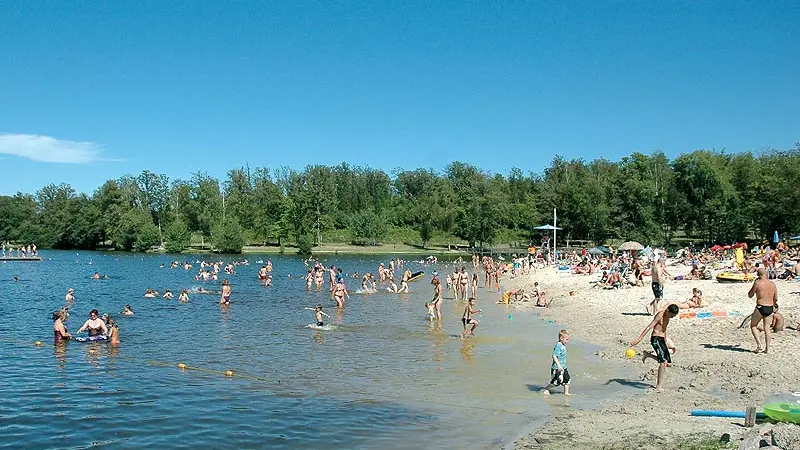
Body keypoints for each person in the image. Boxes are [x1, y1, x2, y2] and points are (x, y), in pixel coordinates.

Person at [631, 304, 680, 390]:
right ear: (668, 311)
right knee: (663, 363)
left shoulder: (668, 317)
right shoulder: (660, 315)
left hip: (662, 339)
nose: (672, 317)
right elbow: (649, 327)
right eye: (672, 315)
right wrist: (638, 339)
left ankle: (647, 355)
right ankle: (658, 386)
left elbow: (664, 328)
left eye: (674, 316)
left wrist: (665, 341)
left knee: (668, 364)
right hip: (656, 339)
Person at [747, 267, 778, 353]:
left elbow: (750, 295)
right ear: (766, 274)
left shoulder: (757, 283)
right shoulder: (772, 284)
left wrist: (754, 284)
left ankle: (759, 345)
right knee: (767, 328)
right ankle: (767, 349)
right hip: (770, 307)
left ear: (758, 275)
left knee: (753, 326)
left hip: (761, 307)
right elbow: (775, 298)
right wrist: (774, 305)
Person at [543, 329, 571, 396]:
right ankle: (547, 389)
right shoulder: (558, 346)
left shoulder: (562, 345)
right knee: (556, 382)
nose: (568, 341)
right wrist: (558, 365)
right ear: (561, 338)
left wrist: (562, 366)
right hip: (556, 368)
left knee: (567, 379)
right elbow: (554, 356)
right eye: (566, 339)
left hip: (563, 367)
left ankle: (566, 393)